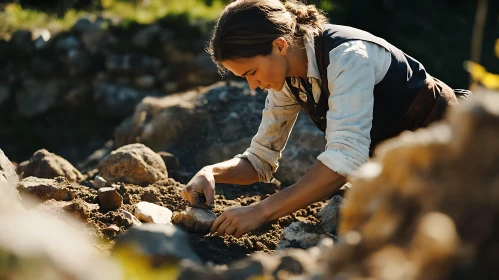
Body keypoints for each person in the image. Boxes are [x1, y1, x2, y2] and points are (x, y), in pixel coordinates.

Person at [180, 0, 471, 238]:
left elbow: (344, 161)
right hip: (405, 172)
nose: (253, 86)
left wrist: (261, 210)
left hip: (465, 158)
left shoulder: (349, 57)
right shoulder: (287, 79)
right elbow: (260, 161)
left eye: (251, 73)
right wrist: (212, 172)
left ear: (280, 46)